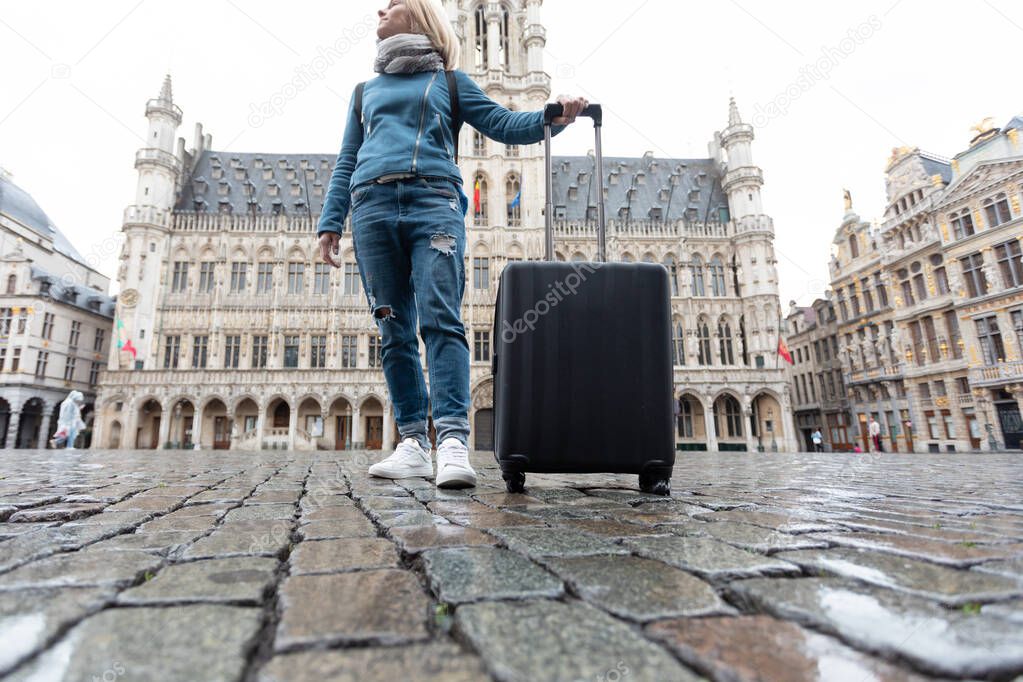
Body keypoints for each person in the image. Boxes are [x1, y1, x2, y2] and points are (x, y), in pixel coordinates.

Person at [316, 0, 587, 488]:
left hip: (433, 204)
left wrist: (552, 116)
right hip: (373, 210)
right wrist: (330, 223)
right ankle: (415, 443)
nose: (381, 9)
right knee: (393, 328)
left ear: (420, 17)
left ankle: (454, 442)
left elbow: (503, 124)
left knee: (442, 320)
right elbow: (347, 159)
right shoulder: (364, 92)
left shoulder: (452, 83)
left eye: (393, 5)